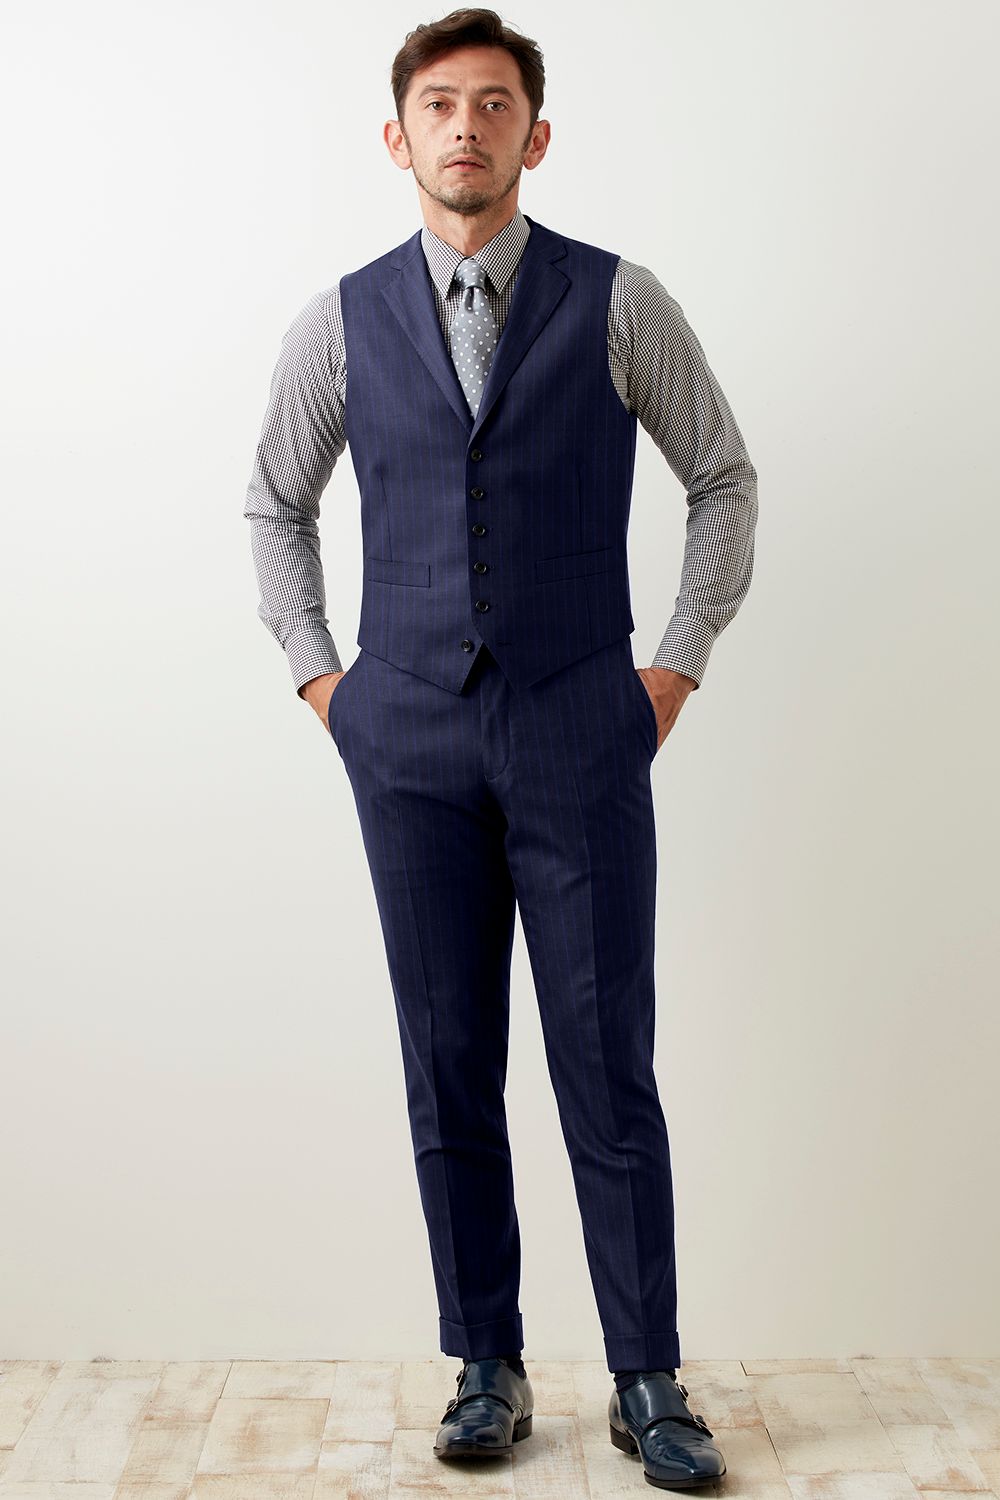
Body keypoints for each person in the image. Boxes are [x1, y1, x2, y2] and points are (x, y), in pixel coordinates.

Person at [243, 7, 756, 1489]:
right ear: (396, 136)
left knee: (607, 1061)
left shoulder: (620, 300)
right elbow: (274, 501)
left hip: (583, 724)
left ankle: (647, 1376)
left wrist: (671, 669)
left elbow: (722, 479)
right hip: (405, 734)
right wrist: (325, 683)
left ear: (536, 135)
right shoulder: (338, 322)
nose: (464, 127)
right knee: (448, 1057)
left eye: (492, 104)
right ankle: (486, 1362)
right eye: (438, 105)